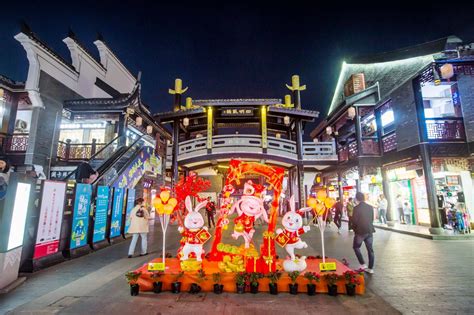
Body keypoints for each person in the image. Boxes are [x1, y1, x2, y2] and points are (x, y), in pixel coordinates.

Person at [352, 192, 375, 274]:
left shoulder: (356, 208)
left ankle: (362, 264)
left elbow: (354, 221)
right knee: (370, 250)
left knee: (356, 247)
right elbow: (372, 219)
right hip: (369, 230)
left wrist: (355, 229)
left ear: (357, 199)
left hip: (360, 231)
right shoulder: (370, 207)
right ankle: (371, 268)